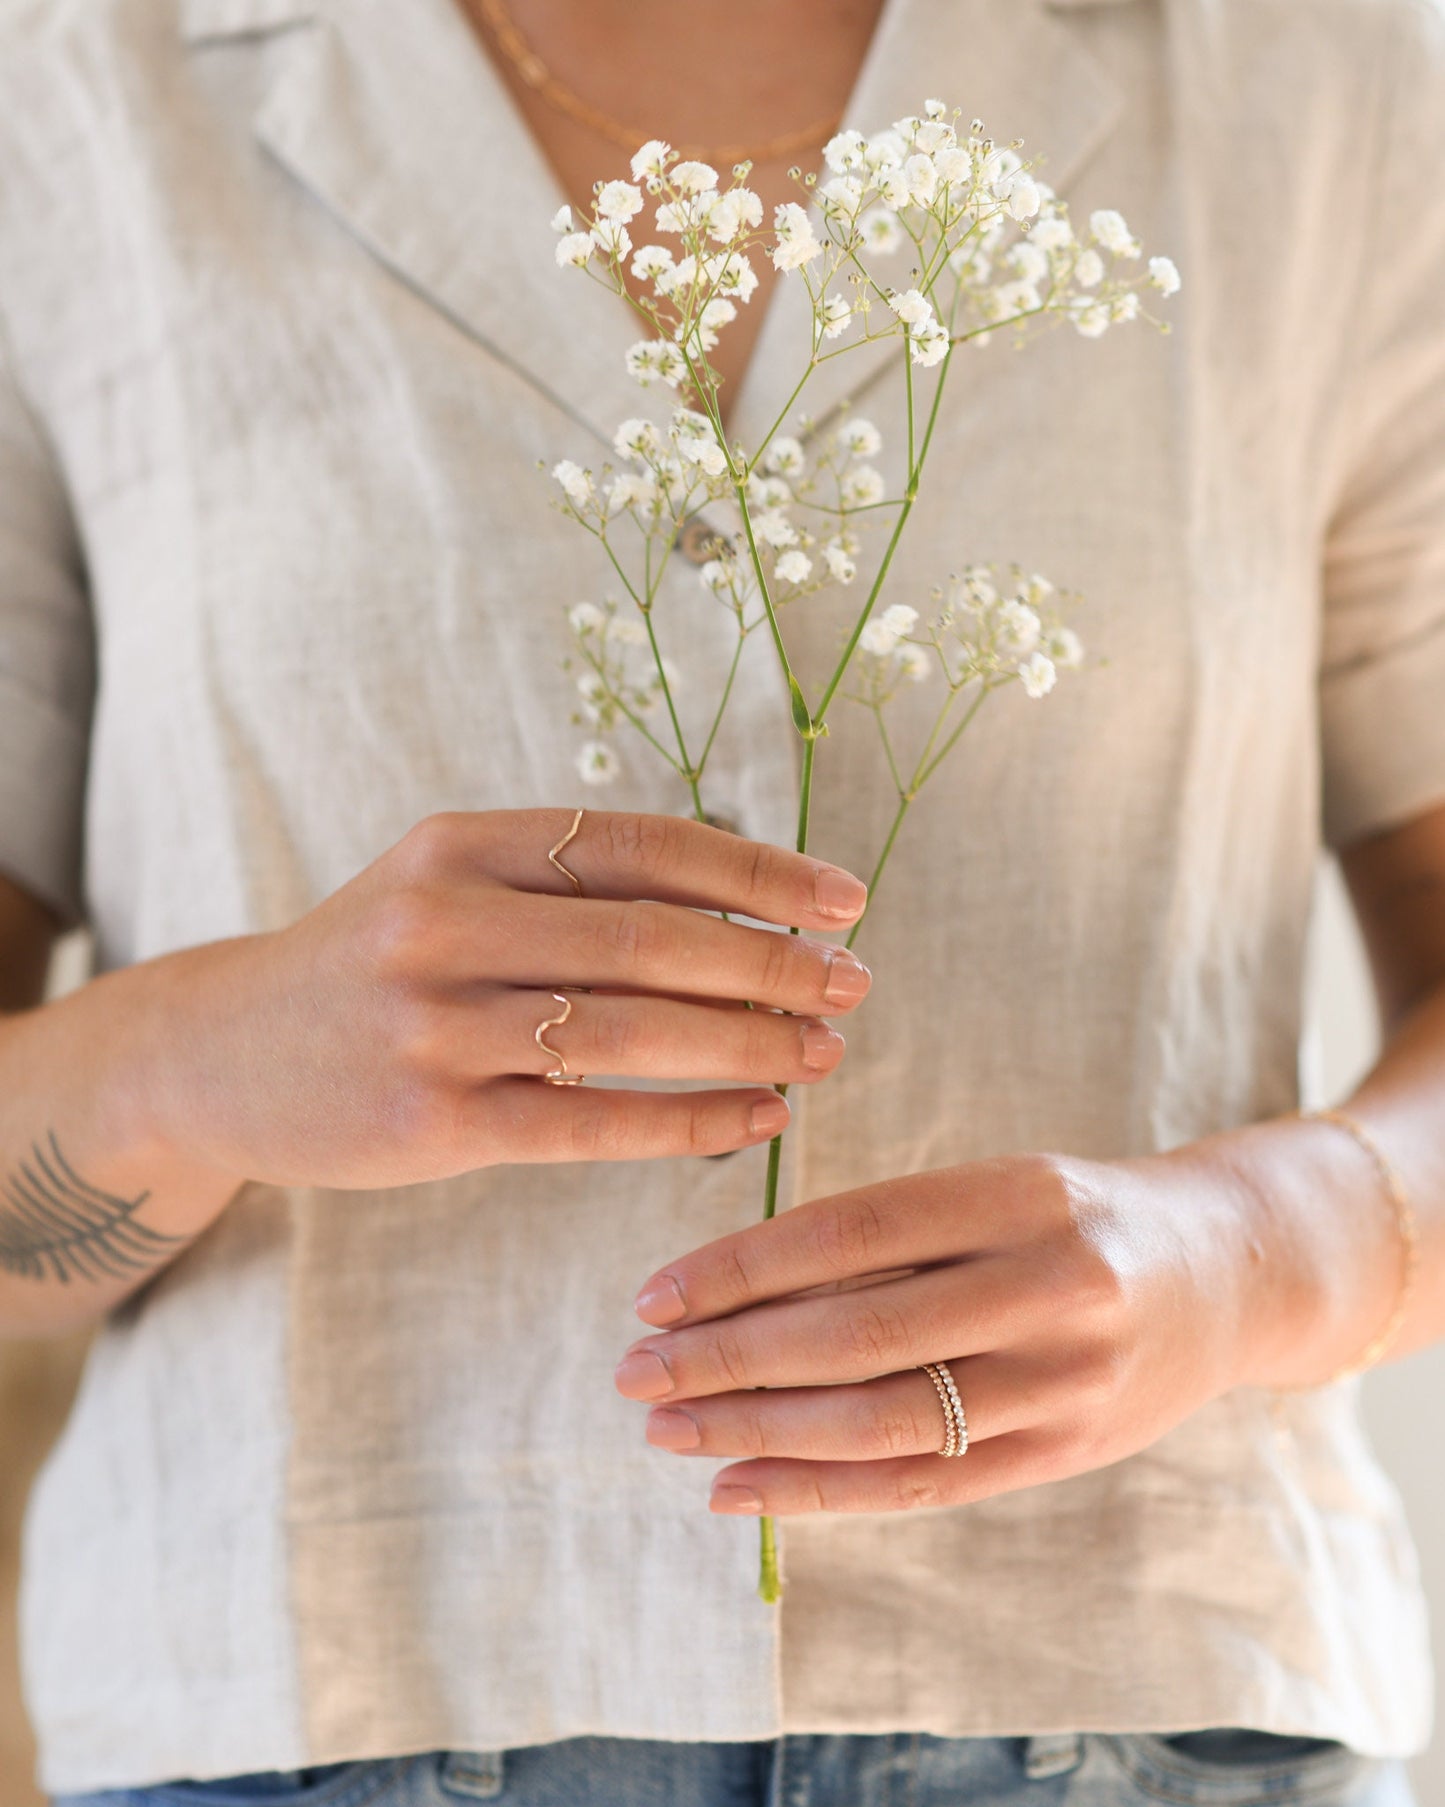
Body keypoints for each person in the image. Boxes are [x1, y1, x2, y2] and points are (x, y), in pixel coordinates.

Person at [0, 0, 1442, 1802]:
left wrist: (1248, 1255)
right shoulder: (71, 100)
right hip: (317, 1710)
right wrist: (191, 1058)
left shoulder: (1304, 80)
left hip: (1161, 1703)